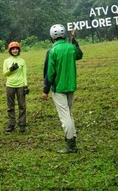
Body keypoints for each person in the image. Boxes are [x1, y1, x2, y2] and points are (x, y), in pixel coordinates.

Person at [43, 25, 83, 153]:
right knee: (69, 113)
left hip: (58, 87)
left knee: (64, 116)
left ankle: (71, 144)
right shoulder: (71, 47)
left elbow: (50, 73)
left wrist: (46, 90)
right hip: (71, 86)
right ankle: (72, 137)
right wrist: (74, 40)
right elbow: (79, 55)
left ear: (51, 37)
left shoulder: (52, 51)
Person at [3, 41, 28, 133]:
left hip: (21, 85)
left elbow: (24, 74)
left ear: (19, 50)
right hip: (10, 85)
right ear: (10, 50)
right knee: (10, 106)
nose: (15, 50)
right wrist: (11, 69)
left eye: (16, 49)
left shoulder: (22, 61)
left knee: (22, 105)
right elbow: (5, 73)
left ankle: (22, 124)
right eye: (13, 49)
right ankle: (11, 123)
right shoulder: (7, 61)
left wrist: (25, 85)